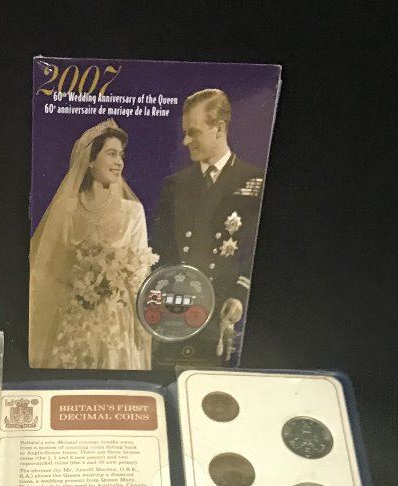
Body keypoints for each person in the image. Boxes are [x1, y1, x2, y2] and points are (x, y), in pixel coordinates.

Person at [152, 89, 265, 365]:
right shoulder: (176, 184)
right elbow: (161, 250)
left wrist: (239, 297)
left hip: (223, 309)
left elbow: (254, 251)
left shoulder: (254, 180)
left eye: (194, 132)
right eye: (184, 133)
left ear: (220, 128)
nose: (185, 141)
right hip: (176, 310)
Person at [29, 120, 155, 369]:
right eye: (111, 154)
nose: (119, 162)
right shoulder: (67, 210)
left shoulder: (133, 212)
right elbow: (47, 268)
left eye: (121, 155)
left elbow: (140, 275)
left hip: (117, 323)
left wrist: (142, 324)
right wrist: (81, 283)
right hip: (75, 320)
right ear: (90, 160)